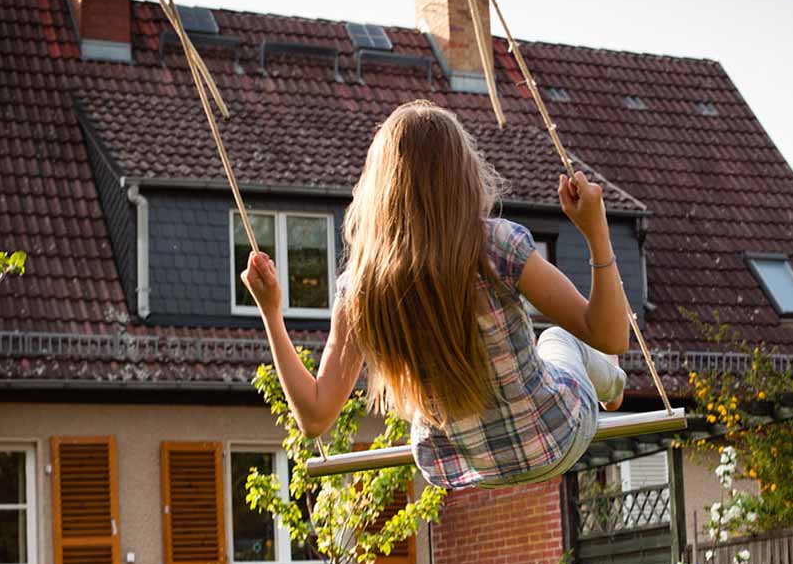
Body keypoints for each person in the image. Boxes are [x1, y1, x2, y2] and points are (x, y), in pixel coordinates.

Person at [241, 100, 629, 489]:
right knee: (558, 337)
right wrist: (596, 231)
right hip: (555, 437)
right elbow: (610, 334)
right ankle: (611, 383)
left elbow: (313, 418)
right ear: (463, 176)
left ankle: (607, 381)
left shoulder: (360, 288)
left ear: (378, 190)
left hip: (465, 465)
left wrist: (272, 312)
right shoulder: (495, 245)